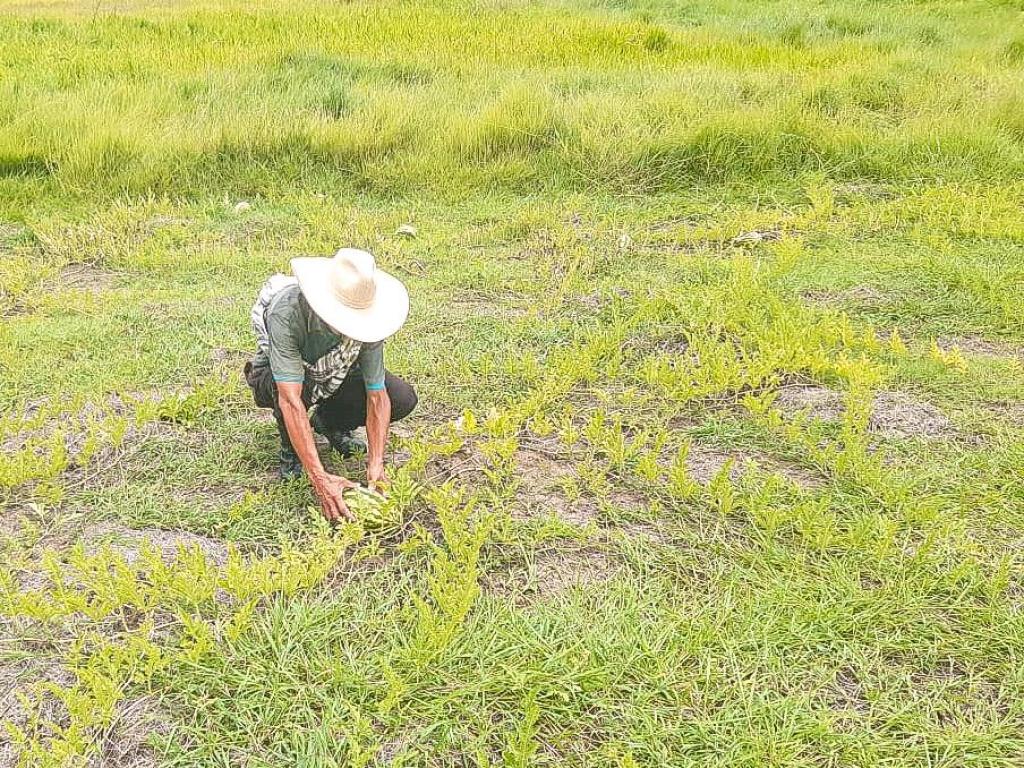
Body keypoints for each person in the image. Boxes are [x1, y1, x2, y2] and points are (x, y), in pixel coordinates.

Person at [243, 248, 417, 522]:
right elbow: (290, 399)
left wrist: (375, 464)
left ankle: (329, 423)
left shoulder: (367, 319)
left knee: (401, 397)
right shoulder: (287, 313)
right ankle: (293, 453)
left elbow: (377, 396)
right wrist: (320, 477)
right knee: (299, 388)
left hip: (333, 372)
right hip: (277, 378)